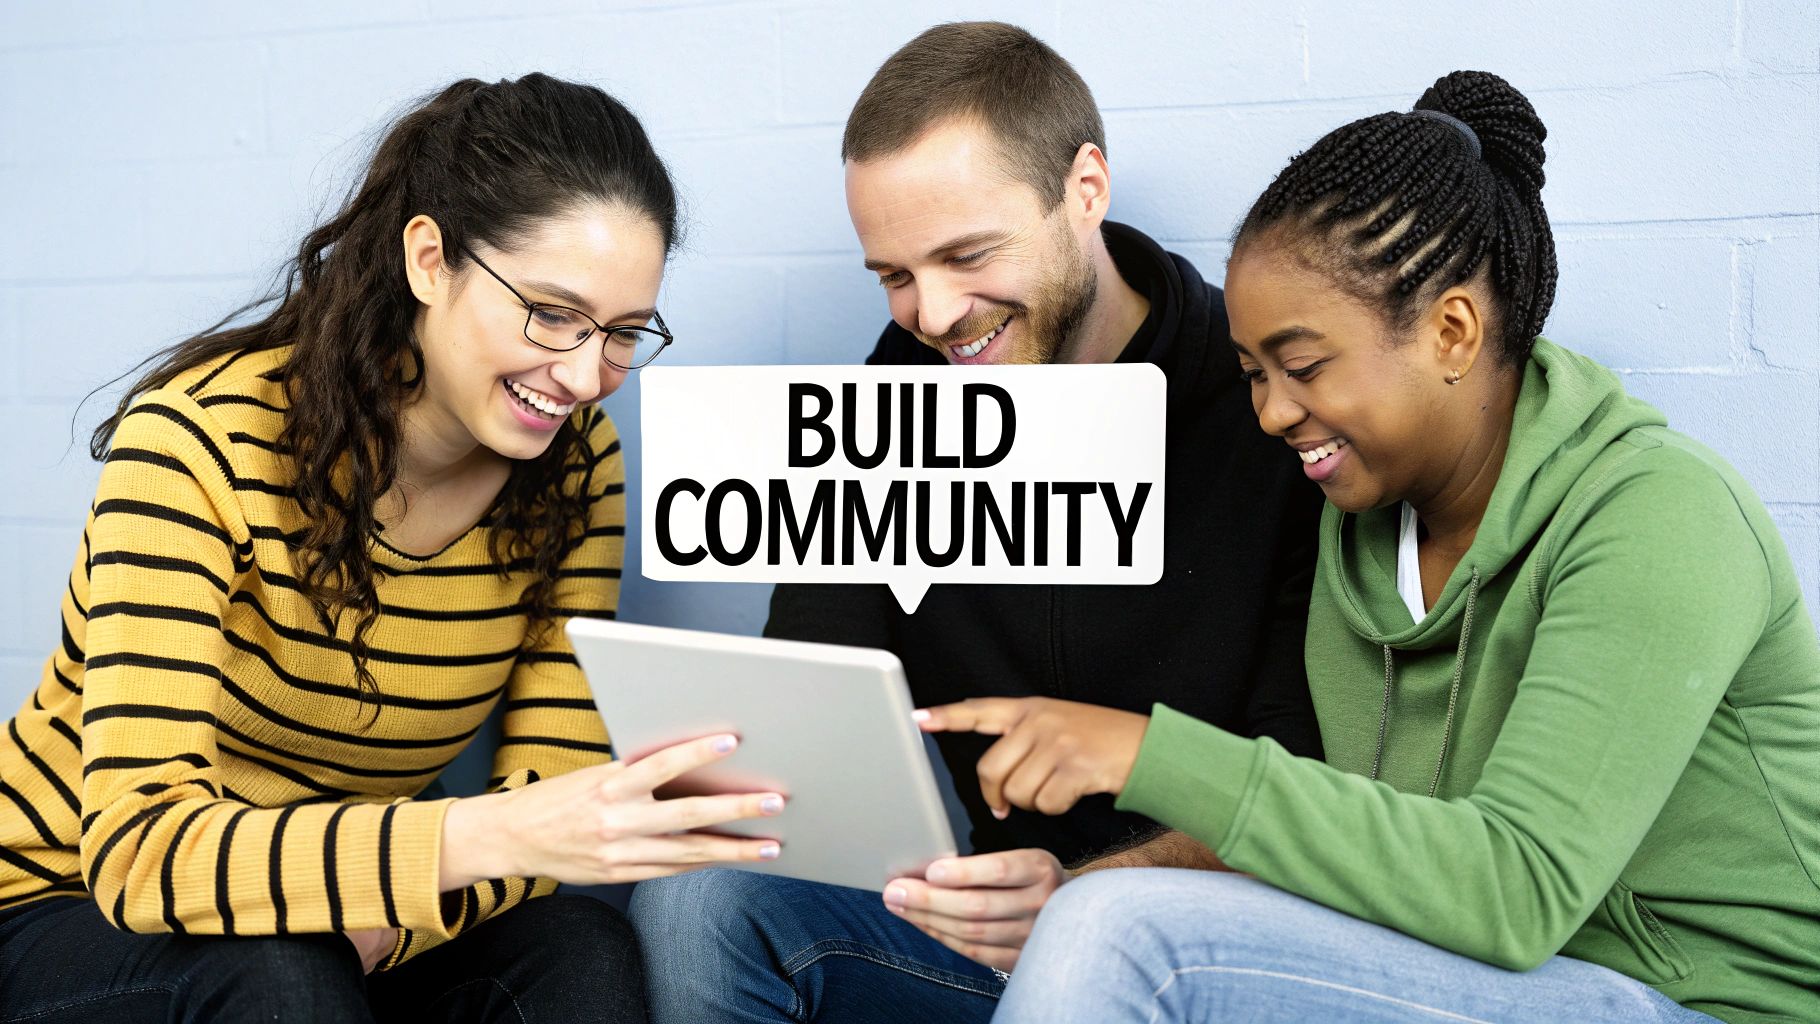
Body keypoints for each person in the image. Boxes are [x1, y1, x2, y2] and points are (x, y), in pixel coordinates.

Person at [917, 70, 1820, 1023]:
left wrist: (1149, 754)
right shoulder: (1361, 536)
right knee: (1095, 915)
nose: (1272, 411)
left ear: (1453, 330)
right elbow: (1357, 849)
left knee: (1120, 933)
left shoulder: (1657, 512)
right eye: (1253, 374)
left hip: (1700, 1004)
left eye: (1302, 366)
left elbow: (1517, 891)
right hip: (1467, 980)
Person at [0, 74, 788, 1024]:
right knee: (279, 971)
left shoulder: (578, 468)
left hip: (346, 914)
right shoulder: (197, 442)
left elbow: (553, 803)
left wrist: (399, 913)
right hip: (66, 903)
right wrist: (450, 849)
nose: (585, 375)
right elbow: (140, 853)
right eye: (552, 313)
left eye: (622, 334)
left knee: (581, 949)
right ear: (429, 259)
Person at [629, 22, 1325, 1024]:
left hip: (1195, 945)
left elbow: (1317, 785)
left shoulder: (1262, 401)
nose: (933, 312)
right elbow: (815, 702)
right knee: (697, 898)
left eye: (966, 254)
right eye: (893, 275)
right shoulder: (901, 390)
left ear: (1083, 189)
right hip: (983, 935)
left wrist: (1089, 895)